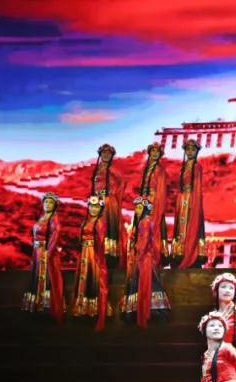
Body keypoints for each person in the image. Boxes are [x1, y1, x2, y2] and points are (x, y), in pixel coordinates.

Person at [121, 197, 171, 327]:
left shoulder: (144, 222)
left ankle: (145, 311)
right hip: (148, 258)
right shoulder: (148, 221)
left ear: (144, 209)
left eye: (139, 208)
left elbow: (143, 243)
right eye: (136, 208)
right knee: (151, 283)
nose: (136, 211)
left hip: (144, 259)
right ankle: (157, 310)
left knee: (144, 284)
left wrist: (137, 253)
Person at [21, 192, 64, 323]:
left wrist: (48, 252)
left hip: (45, 253)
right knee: (37, 276)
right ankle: (36, 306)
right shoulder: (43, 217)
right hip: (37, 252)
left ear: (55, 205)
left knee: (45, 278)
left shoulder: (54, 218)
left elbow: (55, 235)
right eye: (46, 202)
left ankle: (46, 308)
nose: (47, 204)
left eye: (50, 202)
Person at [72, 195, 111, 330]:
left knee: (92, 279)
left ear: (100, 209)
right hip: (84, 253)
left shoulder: (99, 222)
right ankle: (83, 308)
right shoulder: (86, 221)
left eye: (96, 207)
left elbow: (101, 241)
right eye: (91, 206)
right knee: (83, 278)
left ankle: (93, 309)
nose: (93, 209)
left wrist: (99, 258)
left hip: (94, 255)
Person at [171, 138, 206, 269]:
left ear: (197, 152)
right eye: (188, 149)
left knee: (191, 227)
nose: (190, 152)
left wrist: (194, 202)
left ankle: (191, 255)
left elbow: (197, 186)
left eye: (193, 149)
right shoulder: (184, 166)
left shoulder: (197, 166)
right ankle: (180, 254)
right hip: (183, 199)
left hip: (191, 200)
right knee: (180, 228)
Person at [91, 143, 127, 270]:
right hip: (97, 202)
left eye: (109, 153)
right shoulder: (97, 169)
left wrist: (114, 195)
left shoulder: (112, 169)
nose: (106, 155)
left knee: (107, 228)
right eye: (104, 153)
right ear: (100, 154)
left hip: (108, 203)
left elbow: (122, 182)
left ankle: (109, 255)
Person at [137, 141, 170, 264]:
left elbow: (161, 190)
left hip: (155, 201)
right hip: (145, 201)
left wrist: (156, 205)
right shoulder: (146, 169)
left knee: (154, 227)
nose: (155, 153)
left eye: (157, 152)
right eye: (153, 151)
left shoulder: (160, 170)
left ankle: (154, 255)